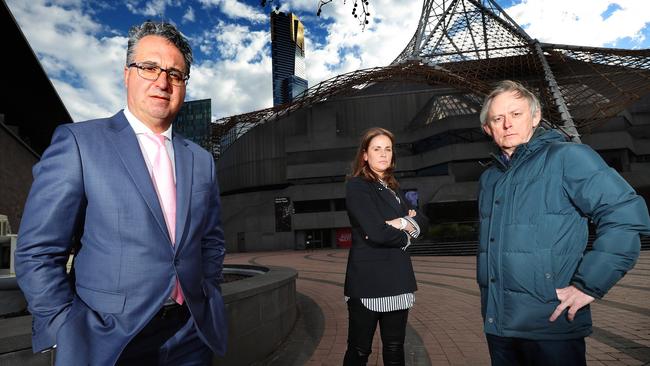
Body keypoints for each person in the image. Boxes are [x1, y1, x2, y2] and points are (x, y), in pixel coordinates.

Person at [15, 21, 226, 366]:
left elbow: (212, 239)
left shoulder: (201, 160)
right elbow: (38, 249)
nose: (162, 81)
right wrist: (62, 327)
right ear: (126, 74)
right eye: (149, 67)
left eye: (175, 73)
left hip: (190, 335)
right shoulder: (79, 143)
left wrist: (208, 290)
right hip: (108, 340)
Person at [477, 80, 650, 365]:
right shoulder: (490, 179)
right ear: (488, 128)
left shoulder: (568, 157)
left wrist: (589, 284)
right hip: (499, 326)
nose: (507, 124)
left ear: (535, 118)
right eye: (498, 118)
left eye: (516, 114)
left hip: (551, 324)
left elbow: (625, 215)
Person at [343, 127, 428, 366]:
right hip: (368, 283)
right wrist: (407, 233)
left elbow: (422, 220)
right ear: (365, 155)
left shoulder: (394, 189)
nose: (383, 154)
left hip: (398, 279)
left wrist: (402, 222)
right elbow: (376, 232)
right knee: (359, 350)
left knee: (394, 348)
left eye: (388, 149)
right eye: (377, 149)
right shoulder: (357, 186)